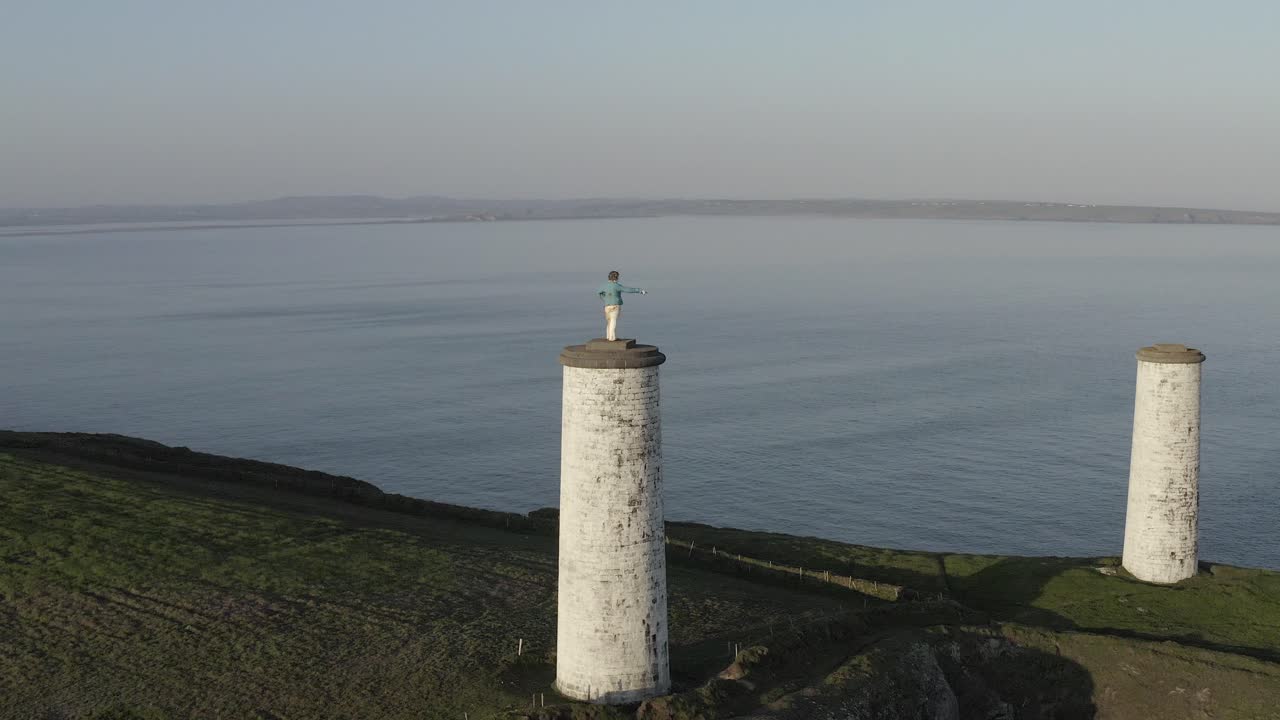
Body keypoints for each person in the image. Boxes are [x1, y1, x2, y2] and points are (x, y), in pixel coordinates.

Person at [597, 270, 646, 341]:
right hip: (615, 305)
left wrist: (605, 299)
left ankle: (608, 336)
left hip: (607, 306)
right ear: (616, 278)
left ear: (609, 277)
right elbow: (628, 290)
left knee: (609, 321)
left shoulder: (604, 286)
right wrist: (639, 290)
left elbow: (599, 292)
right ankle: (612, 338)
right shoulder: (616, 286)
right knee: (613, 320)